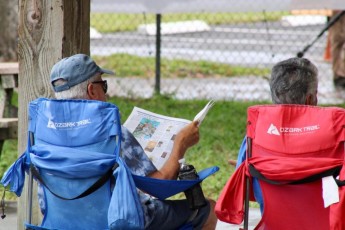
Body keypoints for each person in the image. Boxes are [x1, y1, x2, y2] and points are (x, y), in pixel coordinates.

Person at [48, 53, 217, 230]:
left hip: (64, 220)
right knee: (209, 208)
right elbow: (160, 187)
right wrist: (180, 143)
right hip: (117, 219)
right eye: (103, 85)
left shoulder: (46, 133)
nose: (106, 91)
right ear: (92, 90)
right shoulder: (110, 131)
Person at [235, 57, 319, 213]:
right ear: (310, 99)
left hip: (272, 223)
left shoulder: (255, 136)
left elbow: (242, 185)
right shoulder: (334, 134)